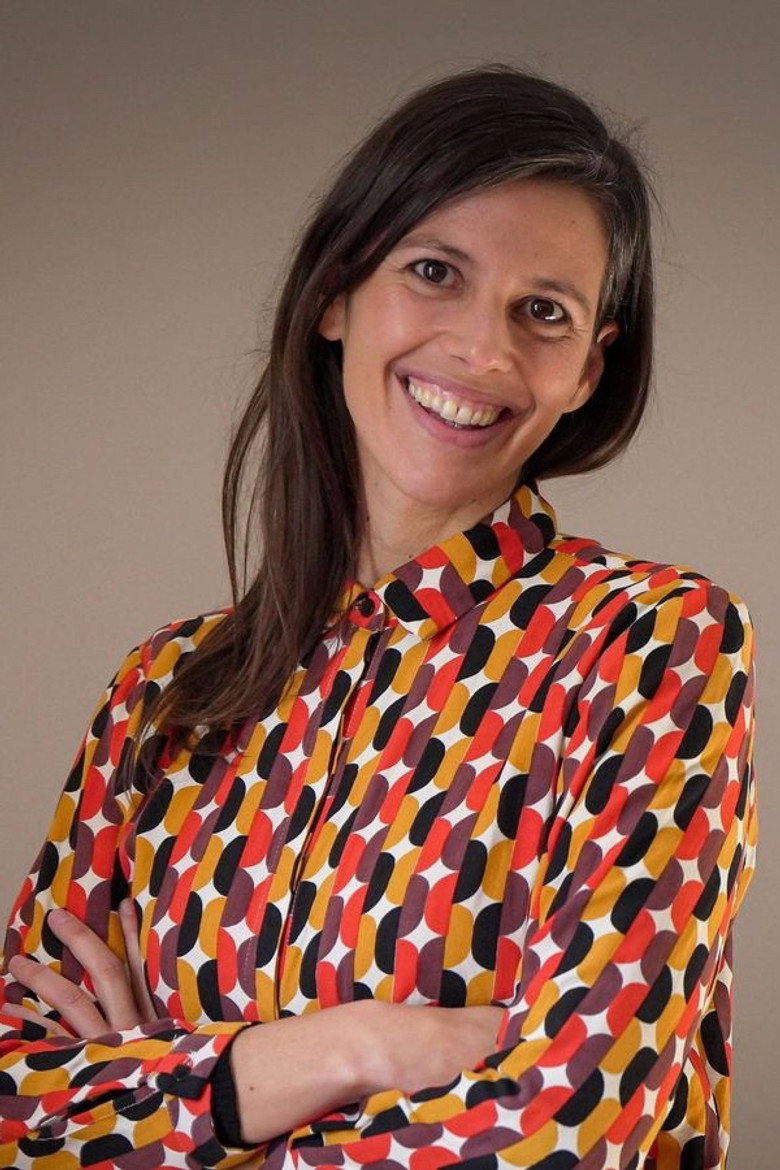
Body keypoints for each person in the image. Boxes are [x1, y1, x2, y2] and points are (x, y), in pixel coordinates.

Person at [0, 65, 756, 1170]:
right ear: (336, 294)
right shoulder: (161, 691)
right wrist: (352, 1049)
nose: (484, 352)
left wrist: (165, 1099)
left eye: (543, 313)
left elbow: (567, 1133)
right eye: (435, 272)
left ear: (589, 371)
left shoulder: (652, 644)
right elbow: (15, 1109)